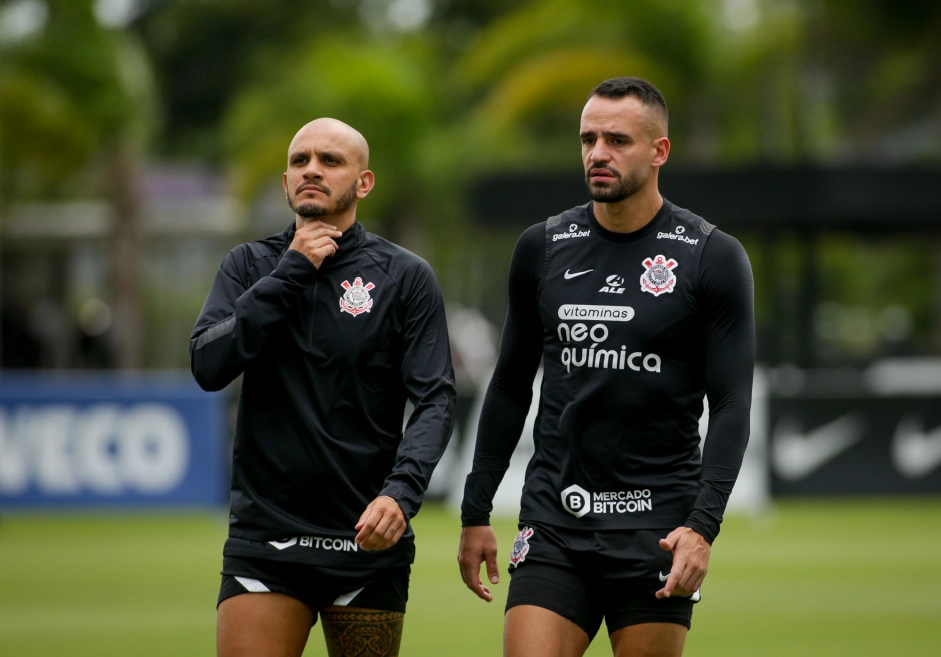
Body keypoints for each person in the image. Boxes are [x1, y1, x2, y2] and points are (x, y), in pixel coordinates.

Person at [457, 77, 755, 657]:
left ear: (659, 150)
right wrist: (476, 509)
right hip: (554, 521)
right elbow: (511, 385)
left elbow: (731, 405)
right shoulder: (542, 247)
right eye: (588, 139)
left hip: (657, 527)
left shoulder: (712, 256)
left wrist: (702, 528)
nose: (598, 153)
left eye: (617, 139)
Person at [191, 117, 456, 657]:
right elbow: (208, 365)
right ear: (286, 182)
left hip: (367, 539)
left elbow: (435, 399)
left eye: (330, 161)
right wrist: (292, 269)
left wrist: (401, 494)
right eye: (299, 161)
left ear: (363, 182)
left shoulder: (404, 276)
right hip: (266, 541)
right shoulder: (248, 267)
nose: (311, 169)